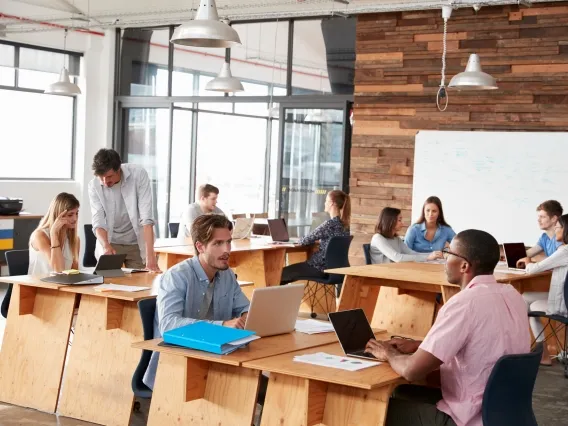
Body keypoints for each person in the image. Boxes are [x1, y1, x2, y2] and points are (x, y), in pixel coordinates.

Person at [365, 229, 530, 426]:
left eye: (449, 253)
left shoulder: (464, 303)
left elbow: (411, 371)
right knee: (402, 392)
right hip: (503, 411)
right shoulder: (513, 295)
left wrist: (388, 352)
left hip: (468, 418)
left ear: (464, 265)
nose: (444, 260)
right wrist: (420, 345)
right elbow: (484, 343)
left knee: (368, 407)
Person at [143, 214, 250, 389]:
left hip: (218, 356)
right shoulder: (176, 276)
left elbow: (245, 308)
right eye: (218, 243)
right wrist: (222, 325)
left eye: (228, 242)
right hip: (176, 363)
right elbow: (169, 325)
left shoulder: (227, 274)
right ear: (200, 246)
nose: (227, 249)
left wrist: (247, 316)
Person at [88, 148, 160, 271]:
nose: (105, 182)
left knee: (142, 283)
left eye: (109, 176)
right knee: (107, 283)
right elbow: (98, 222)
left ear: (118, 169)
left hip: (136, 241)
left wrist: (150, 257)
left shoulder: (138, 174)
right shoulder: (94, 186)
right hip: (111, 241)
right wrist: (106, 246)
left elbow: (146, 219)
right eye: (101, 177)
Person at [521, 214, 568, 366]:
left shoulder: (564, 251)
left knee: (532, 306)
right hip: (562, 297)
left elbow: (533, 270)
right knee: (525, 296)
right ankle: (540, 351)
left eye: (558, 227)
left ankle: (543, 353)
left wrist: (528, 262)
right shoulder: (563, 251)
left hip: (563, 306)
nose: (555, 229)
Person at [280, 190, 351, 285]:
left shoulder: (329, 224)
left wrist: (298, 239)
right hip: (336, 271)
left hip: (318, 268)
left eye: (326, 200)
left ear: (332, 203)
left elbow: (304, 241)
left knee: (278, 274)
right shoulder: (345, 227)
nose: (324, 203)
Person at [29, 193, 80, 274]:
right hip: (40, 285)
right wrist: (54, 233)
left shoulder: (75, 240)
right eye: (70, 215)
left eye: (76, 213)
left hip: (63, 285)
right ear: (58, 215)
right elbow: (59, 269)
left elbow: (74, 273)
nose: (75, 218)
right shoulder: (39, 235)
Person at [370, 207, 443, 264]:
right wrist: (427, 258)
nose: (402, 223)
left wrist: (433, 255)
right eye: (399, 220)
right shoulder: (378, 238)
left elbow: (412, 253)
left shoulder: (396, 238)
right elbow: (397, 258)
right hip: (383, 274)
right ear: (390, 221)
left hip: (396, 271)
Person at [517, 200, 563, 267]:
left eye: (542, 217)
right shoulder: (544, 237)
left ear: (554, 218)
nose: (538, 220)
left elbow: (555, 261)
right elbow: (528, 253)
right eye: (539, 217)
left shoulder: (561, 238)